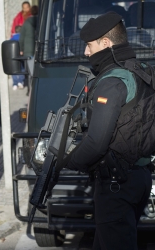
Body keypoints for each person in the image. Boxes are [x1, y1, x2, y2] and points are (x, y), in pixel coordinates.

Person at [66, 12, 153, 249]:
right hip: (140, 177)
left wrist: (68, 160)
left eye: (89, 45)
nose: (86, 52)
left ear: (106, 43)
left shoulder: (113, 80)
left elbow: (96, 142)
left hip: (117, 185)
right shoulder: (141, 70)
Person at [10, 26, 25, 90]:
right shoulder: (23, 37)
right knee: (22, 68)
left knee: (14, 69)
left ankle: (15, 84)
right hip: (21, 55)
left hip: (14, 55)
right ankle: (20, 81)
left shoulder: (12, 37)